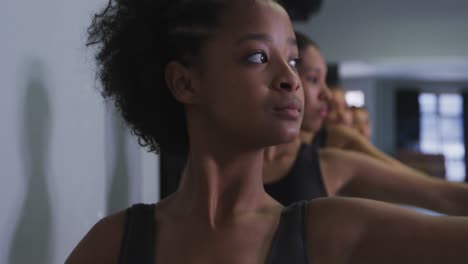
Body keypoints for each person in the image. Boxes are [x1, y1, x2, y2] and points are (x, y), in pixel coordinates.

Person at [67, 2, 468, 263]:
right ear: (185, 83)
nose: (289, 78)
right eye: (258, 56)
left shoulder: (331, 231)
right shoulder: (113, 243)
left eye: (292, 59)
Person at [264, 31, 468, 216]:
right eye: (314, 79)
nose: (326, 94)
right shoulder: (243, 157)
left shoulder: (333, 161)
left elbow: (437, 193)